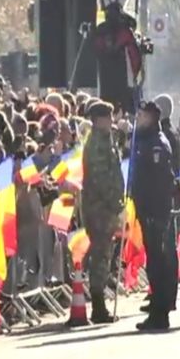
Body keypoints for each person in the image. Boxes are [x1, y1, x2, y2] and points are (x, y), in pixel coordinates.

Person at [131, 101, 178, 331]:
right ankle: (158, 309)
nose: (138, 118)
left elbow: (160, 183)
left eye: (141, 115)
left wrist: (153, 211)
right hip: (146, 209)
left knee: (158, 264)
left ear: (151, 118)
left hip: (155, 211)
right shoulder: (143, 141)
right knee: (155, 262)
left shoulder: (157, 144)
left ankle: (160, 313)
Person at [80, 101, 124, 324]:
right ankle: (98, 307)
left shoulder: (108, 140)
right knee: (100, 255)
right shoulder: (97, 143)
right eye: (107, 117)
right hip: (99, 208)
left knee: (105, 255)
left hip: (106, 206)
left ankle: (100, 304)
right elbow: (100, 178)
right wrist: (115, 203)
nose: (111, 121)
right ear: (98, 120)